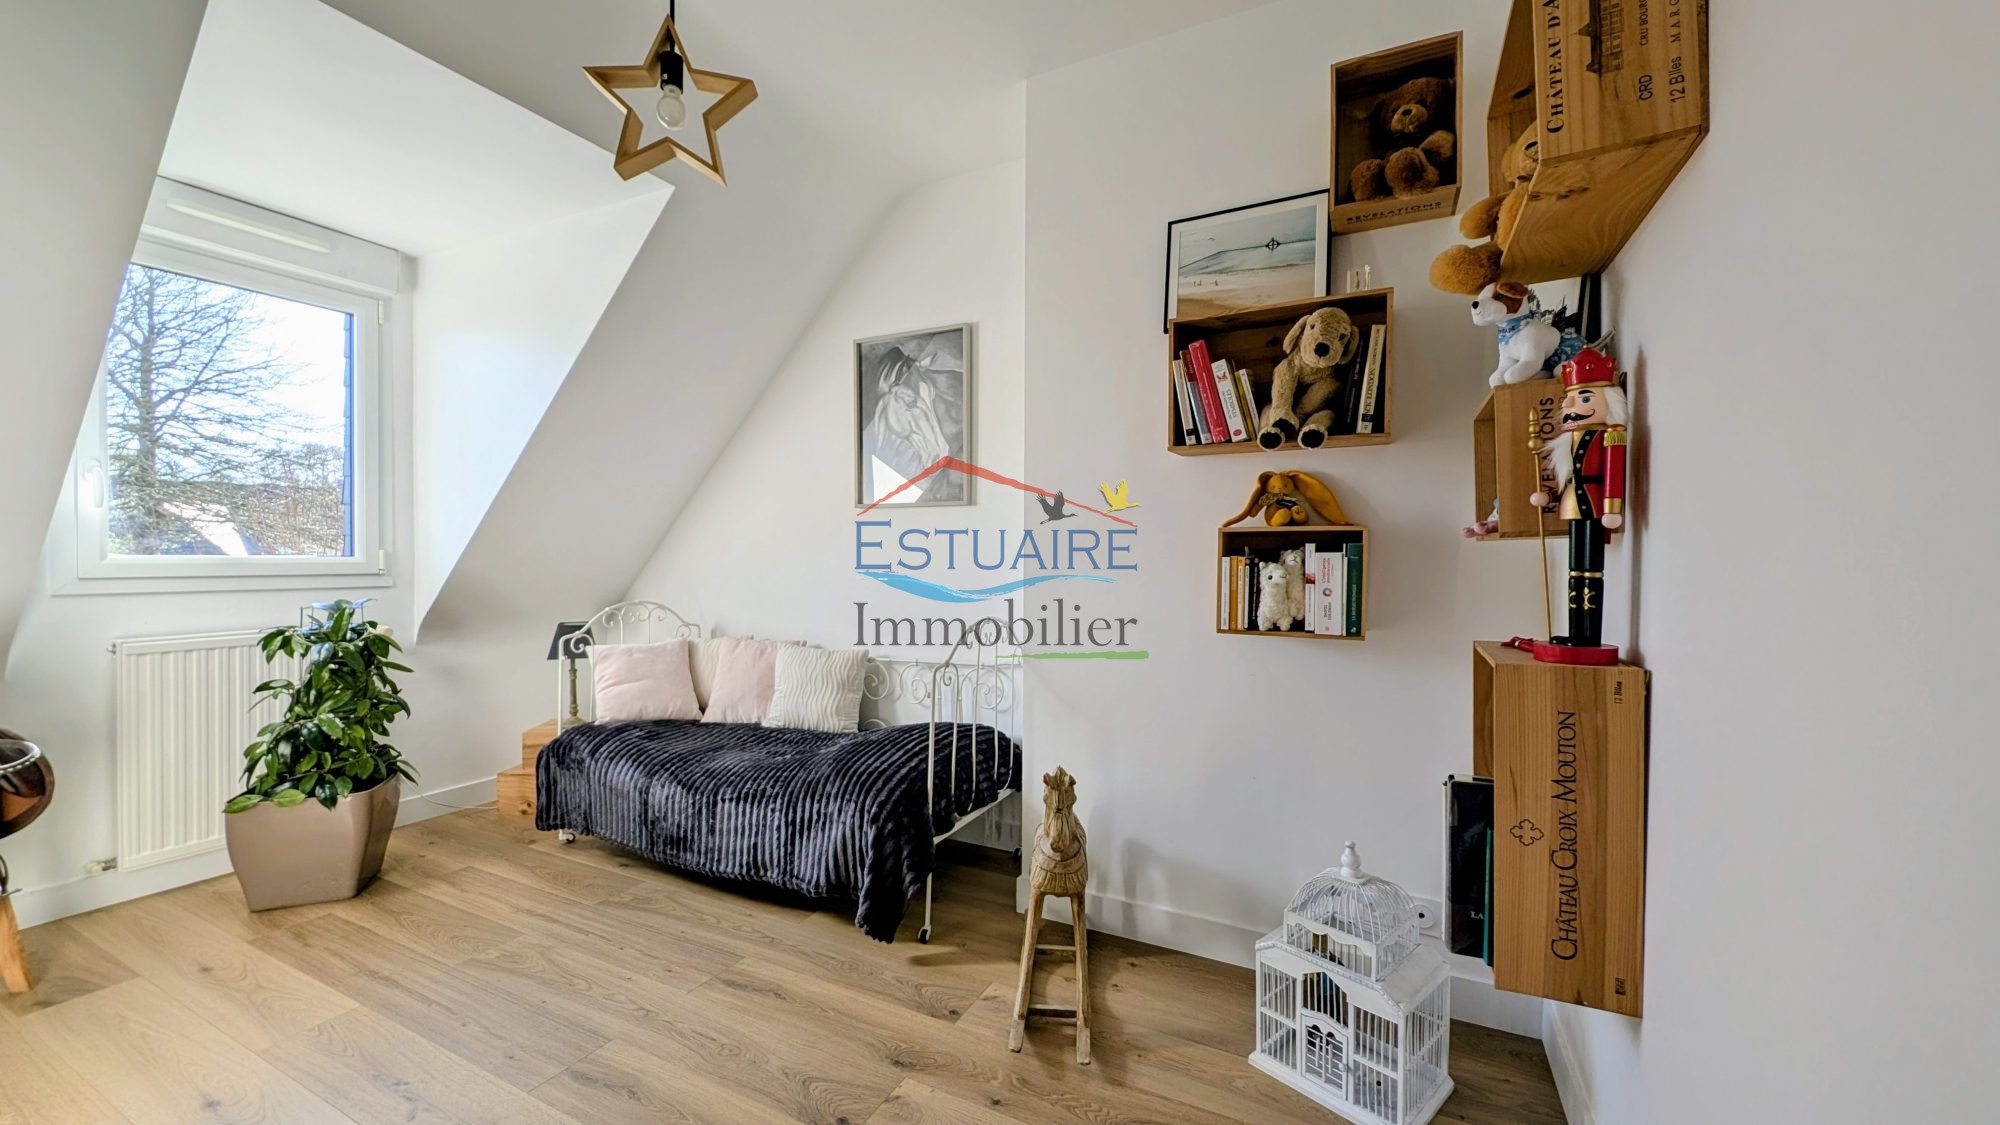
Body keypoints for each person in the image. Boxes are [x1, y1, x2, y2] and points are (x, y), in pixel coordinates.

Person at [1529, 347, 1628, 651]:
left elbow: (1613, 472)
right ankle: (1576, 633)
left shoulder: (1610, 435)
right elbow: (1566, 475)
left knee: (1592, 571)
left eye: (1584, 398)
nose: (1570, 405)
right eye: (1569, 398)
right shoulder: (1567, 440)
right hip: (1573, 501)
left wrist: (1612, 506)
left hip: (1596, 502)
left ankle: (1590, 637)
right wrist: (1547, 495)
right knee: (1575, 571)